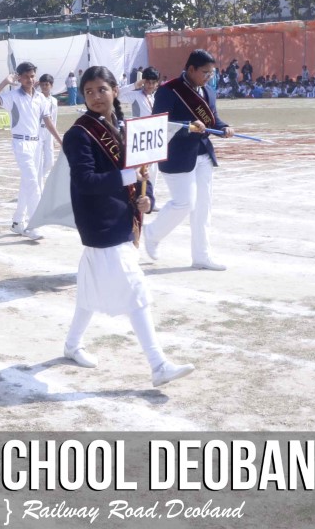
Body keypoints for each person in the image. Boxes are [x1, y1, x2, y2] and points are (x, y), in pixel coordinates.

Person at [62, 66, 194, 388]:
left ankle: (72, 344)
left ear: (115, 91)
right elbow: (85, 180)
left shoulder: (123, 128)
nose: (95, 96)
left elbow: (141, 173)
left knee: (89, 289)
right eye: (89, 91)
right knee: (135, 290)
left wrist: (147, 198)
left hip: (124, 218)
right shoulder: (79, 134)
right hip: (100, 222)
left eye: (101, 89)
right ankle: (158, 364)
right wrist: (126, 177)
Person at [143, 49, 234, 271]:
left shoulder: (208, 91)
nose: (209, 77)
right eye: (205, 72)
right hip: (176, 155)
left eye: (212, 73)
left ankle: (201, 256)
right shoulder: (169, 90)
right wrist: (188, 126)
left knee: (203, 208)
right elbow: (159, 123)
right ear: (191, 69)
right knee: (184, 203)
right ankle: (152, 233)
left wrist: (224, 128)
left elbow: (213, 119)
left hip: (203, 153)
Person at [0, 62, 63, 240]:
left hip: (37, 144)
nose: (30, 79)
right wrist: (5, 82)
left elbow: (48, 122)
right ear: (19, 78)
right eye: (26, 76)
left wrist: (60, 141)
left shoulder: (41, 98)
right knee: (33, 184)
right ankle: (33, 225)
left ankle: (17, 222)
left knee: (28, 183)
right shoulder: (13, 96)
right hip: (21, 144)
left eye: (32, 76)